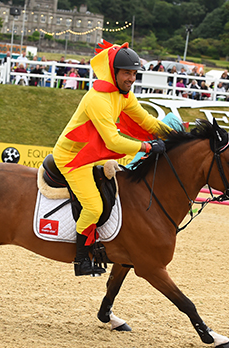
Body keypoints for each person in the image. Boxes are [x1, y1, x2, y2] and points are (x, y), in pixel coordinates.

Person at [52, 42, 168, 276]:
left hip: (93, 156)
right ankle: (81, 260)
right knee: (94, 207)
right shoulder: (98, 99)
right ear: (113, 72)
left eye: (134, 73)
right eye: (127, 73)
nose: (132, 78)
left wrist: (177, 136)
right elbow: (114, 141)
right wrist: (147, 146)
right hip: (74, 158)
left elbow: (146, 122)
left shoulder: (123, 95)